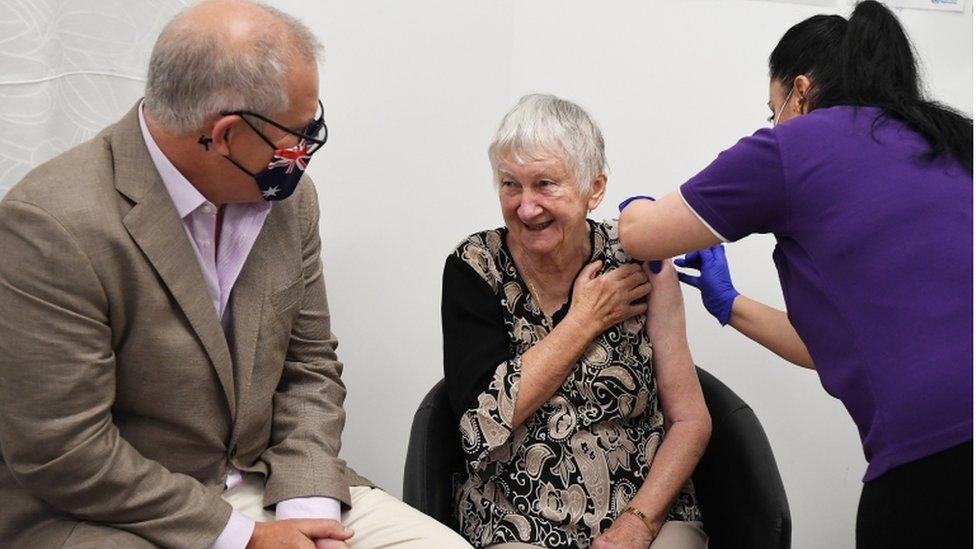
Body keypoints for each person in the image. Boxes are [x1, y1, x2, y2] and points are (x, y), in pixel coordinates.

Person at [0, 2, 471, 548]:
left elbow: (309, 365)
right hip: (117, 511)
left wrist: (309, 509)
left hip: (266, 478)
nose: (304, 153)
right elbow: (67, 453)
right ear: (224, 134)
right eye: (295, 136)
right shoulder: (52, 225)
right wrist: (244, 537)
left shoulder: (288, 202)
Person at [617, 2, 972, 547]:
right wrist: (729, 302)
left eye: (772, 109)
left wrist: (632, 210)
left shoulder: (797, 145)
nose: (773, 123)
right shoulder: (945, 141)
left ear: (800, 92)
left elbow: (641, 235)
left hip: (935, 462)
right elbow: (836, 347)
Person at [442, 94, 710, 549]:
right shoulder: (476, 267)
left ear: (595, 188)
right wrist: (583, 320)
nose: (527, 208)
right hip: (515, 518)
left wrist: (637, 524)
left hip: (643, 513)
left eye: (545, 184)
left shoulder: (641, 260)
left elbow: (690, 421)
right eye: (510, 185)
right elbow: (478, 426)